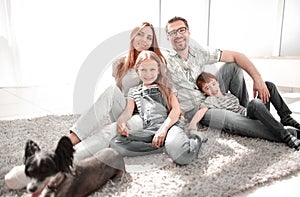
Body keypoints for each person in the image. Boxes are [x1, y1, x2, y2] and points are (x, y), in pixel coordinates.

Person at [4, 22, 166, 190]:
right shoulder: (120, 63)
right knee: (111, 91)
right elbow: (118, 94)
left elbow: (165, 96)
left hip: (145, 116)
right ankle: (70, 141)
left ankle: (59, 164)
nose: (144, 40)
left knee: (109, 131)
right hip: (126, 109)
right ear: (132, 36)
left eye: (149, 37)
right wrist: (123, 116)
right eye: (140, 34)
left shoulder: (157, 62)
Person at [164, 16, 298, 142]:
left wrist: (258, 79)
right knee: (231, 120)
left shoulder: (199, 52)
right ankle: (288, 134)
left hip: (209, 92)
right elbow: (146, 66)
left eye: (182, 30)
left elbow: (237, 56)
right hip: (199, 107)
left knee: (233, 65)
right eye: (173, 32)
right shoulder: (165, 59)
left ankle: (246, 109)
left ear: (188, 32)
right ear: (168, 37)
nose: (178, 35)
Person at [110, 50, 202, 165]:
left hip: (170, 126)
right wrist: (121, 121)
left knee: (183, 156)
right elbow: (128, 111)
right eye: (143, 70)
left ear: (158, 69)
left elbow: (176, 110)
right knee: (116, 143)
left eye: (152, 69)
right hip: (151, 129)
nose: (148, 74)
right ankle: (164, 146)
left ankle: (196, 138)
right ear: (137, 70)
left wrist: (163, 130)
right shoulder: (134, 91)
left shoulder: (166, 87)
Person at [188, 72, 300, 149]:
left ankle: (286, 117)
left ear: (217, 82)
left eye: (213, 84)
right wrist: (193, 124)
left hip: (254, 113)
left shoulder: (229, 95)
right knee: (255, 103)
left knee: (268, 85)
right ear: (203, 92)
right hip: (245, 118)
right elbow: (202, 110)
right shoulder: (211, 100)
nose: (212, 88)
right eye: (207, 88)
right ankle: (286, 136)